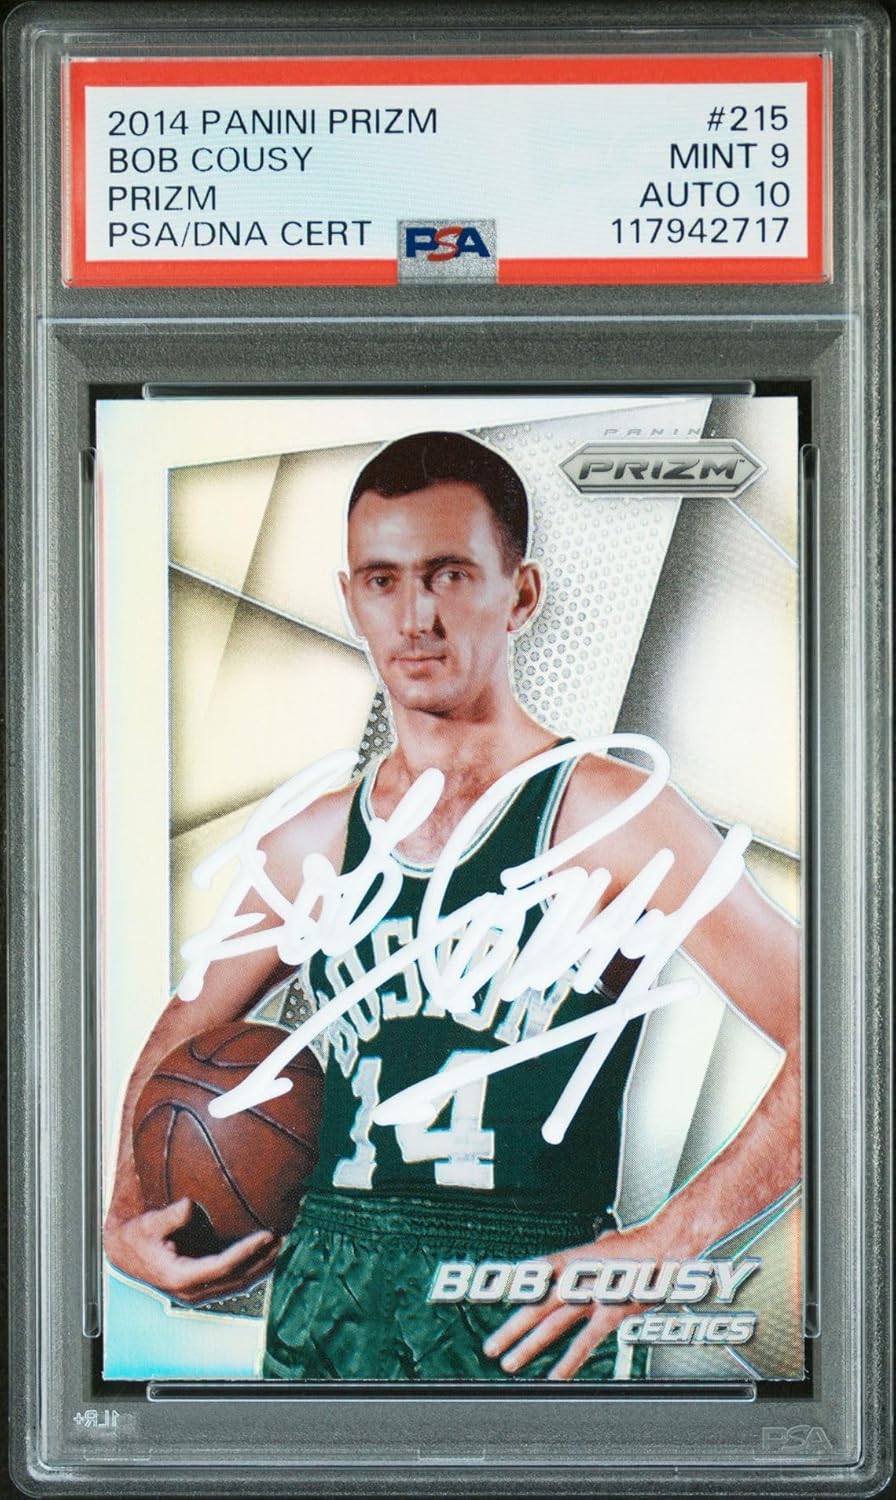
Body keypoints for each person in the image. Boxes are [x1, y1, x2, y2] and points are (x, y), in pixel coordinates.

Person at [104, 429, 800, 1381]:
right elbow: (184, 1030)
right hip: (329, 1298)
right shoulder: (311, 841)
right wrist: (122, 1212)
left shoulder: (612, 817)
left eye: (450, 575)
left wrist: (669, 1241)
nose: (416, 616)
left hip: (527, 1292)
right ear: (351, 599)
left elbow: (838, 1035)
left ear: (522, 594)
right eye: (383, 581)